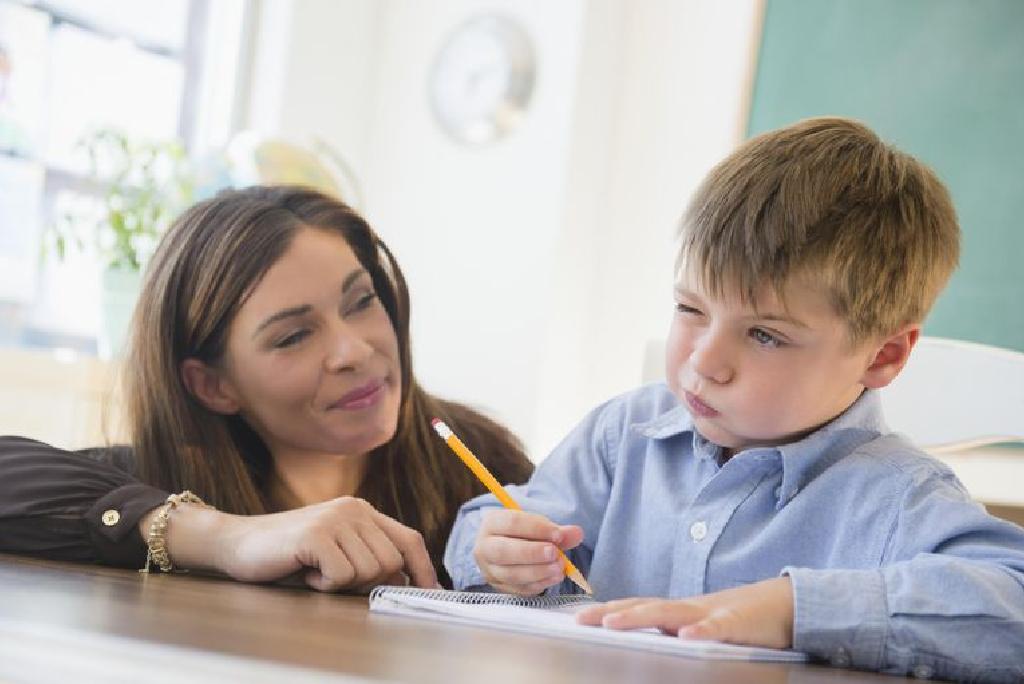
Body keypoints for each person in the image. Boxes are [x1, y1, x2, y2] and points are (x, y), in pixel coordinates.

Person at [444, 118, 1024, 680]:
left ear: (882, 357)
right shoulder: (624, 436)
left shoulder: (897, 497)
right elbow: (493, 523)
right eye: (691, 310)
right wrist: (495, 551)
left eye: (765, 335)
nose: (704, 362)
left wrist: (792, 610)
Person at [0, 185, 532, 591]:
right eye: (294, 336)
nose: (353, 351)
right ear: (212, 386)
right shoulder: (158, 480)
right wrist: (230, 537)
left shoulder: (482, 461)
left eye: (361, 301)